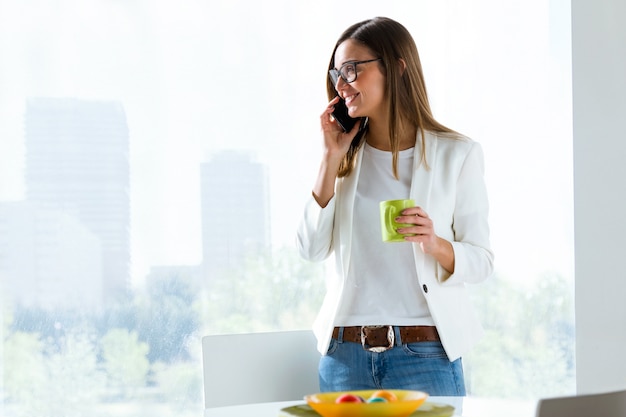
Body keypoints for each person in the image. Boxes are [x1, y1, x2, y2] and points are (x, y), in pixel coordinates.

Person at [296, 17, 494, 396]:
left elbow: (482, 261)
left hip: (425, 356)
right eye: (337, 73)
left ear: (397, 67)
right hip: (343, 357)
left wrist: (435, 244)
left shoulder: (458, 155)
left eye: (352, 69)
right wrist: (328, 160)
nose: (341, 84)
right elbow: (310, 249)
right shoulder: (343, 159)